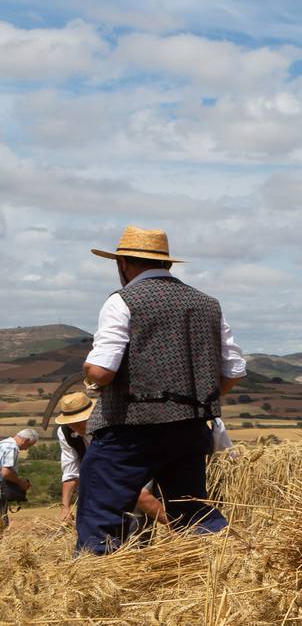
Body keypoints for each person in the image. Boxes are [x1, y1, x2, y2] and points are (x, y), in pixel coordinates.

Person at [76, 225, 247, 554]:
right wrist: (194, 402)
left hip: (129, 431)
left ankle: (94, 581)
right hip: (190, 427)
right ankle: (234, 565)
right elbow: (235, 368)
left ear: (123, 263)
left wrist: (87, 370)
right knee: (192, 511)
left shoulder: (122, 301)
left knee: (102, 510)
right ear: (167, 264)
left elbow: (102, 371)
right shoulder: (207, 304)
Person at [52, 392, 168, 530]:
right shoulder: (65, 433)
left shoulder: (110, 423)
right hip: (104, 473)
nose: (75, 427)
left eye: (79, 422)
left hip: (133, 461)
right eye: (71, 424)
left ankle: (179, 531)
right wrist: (65, 507)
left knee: (140, 495)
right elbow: (71, 473)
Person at [2, 428, 38, 530]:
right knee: (1, 523)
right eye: (29, 445)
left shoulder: (3, 444)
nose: (26, 449)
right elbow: (5, 472)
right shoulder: (11, 447)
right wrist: (20, 482)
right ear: (26, 440)